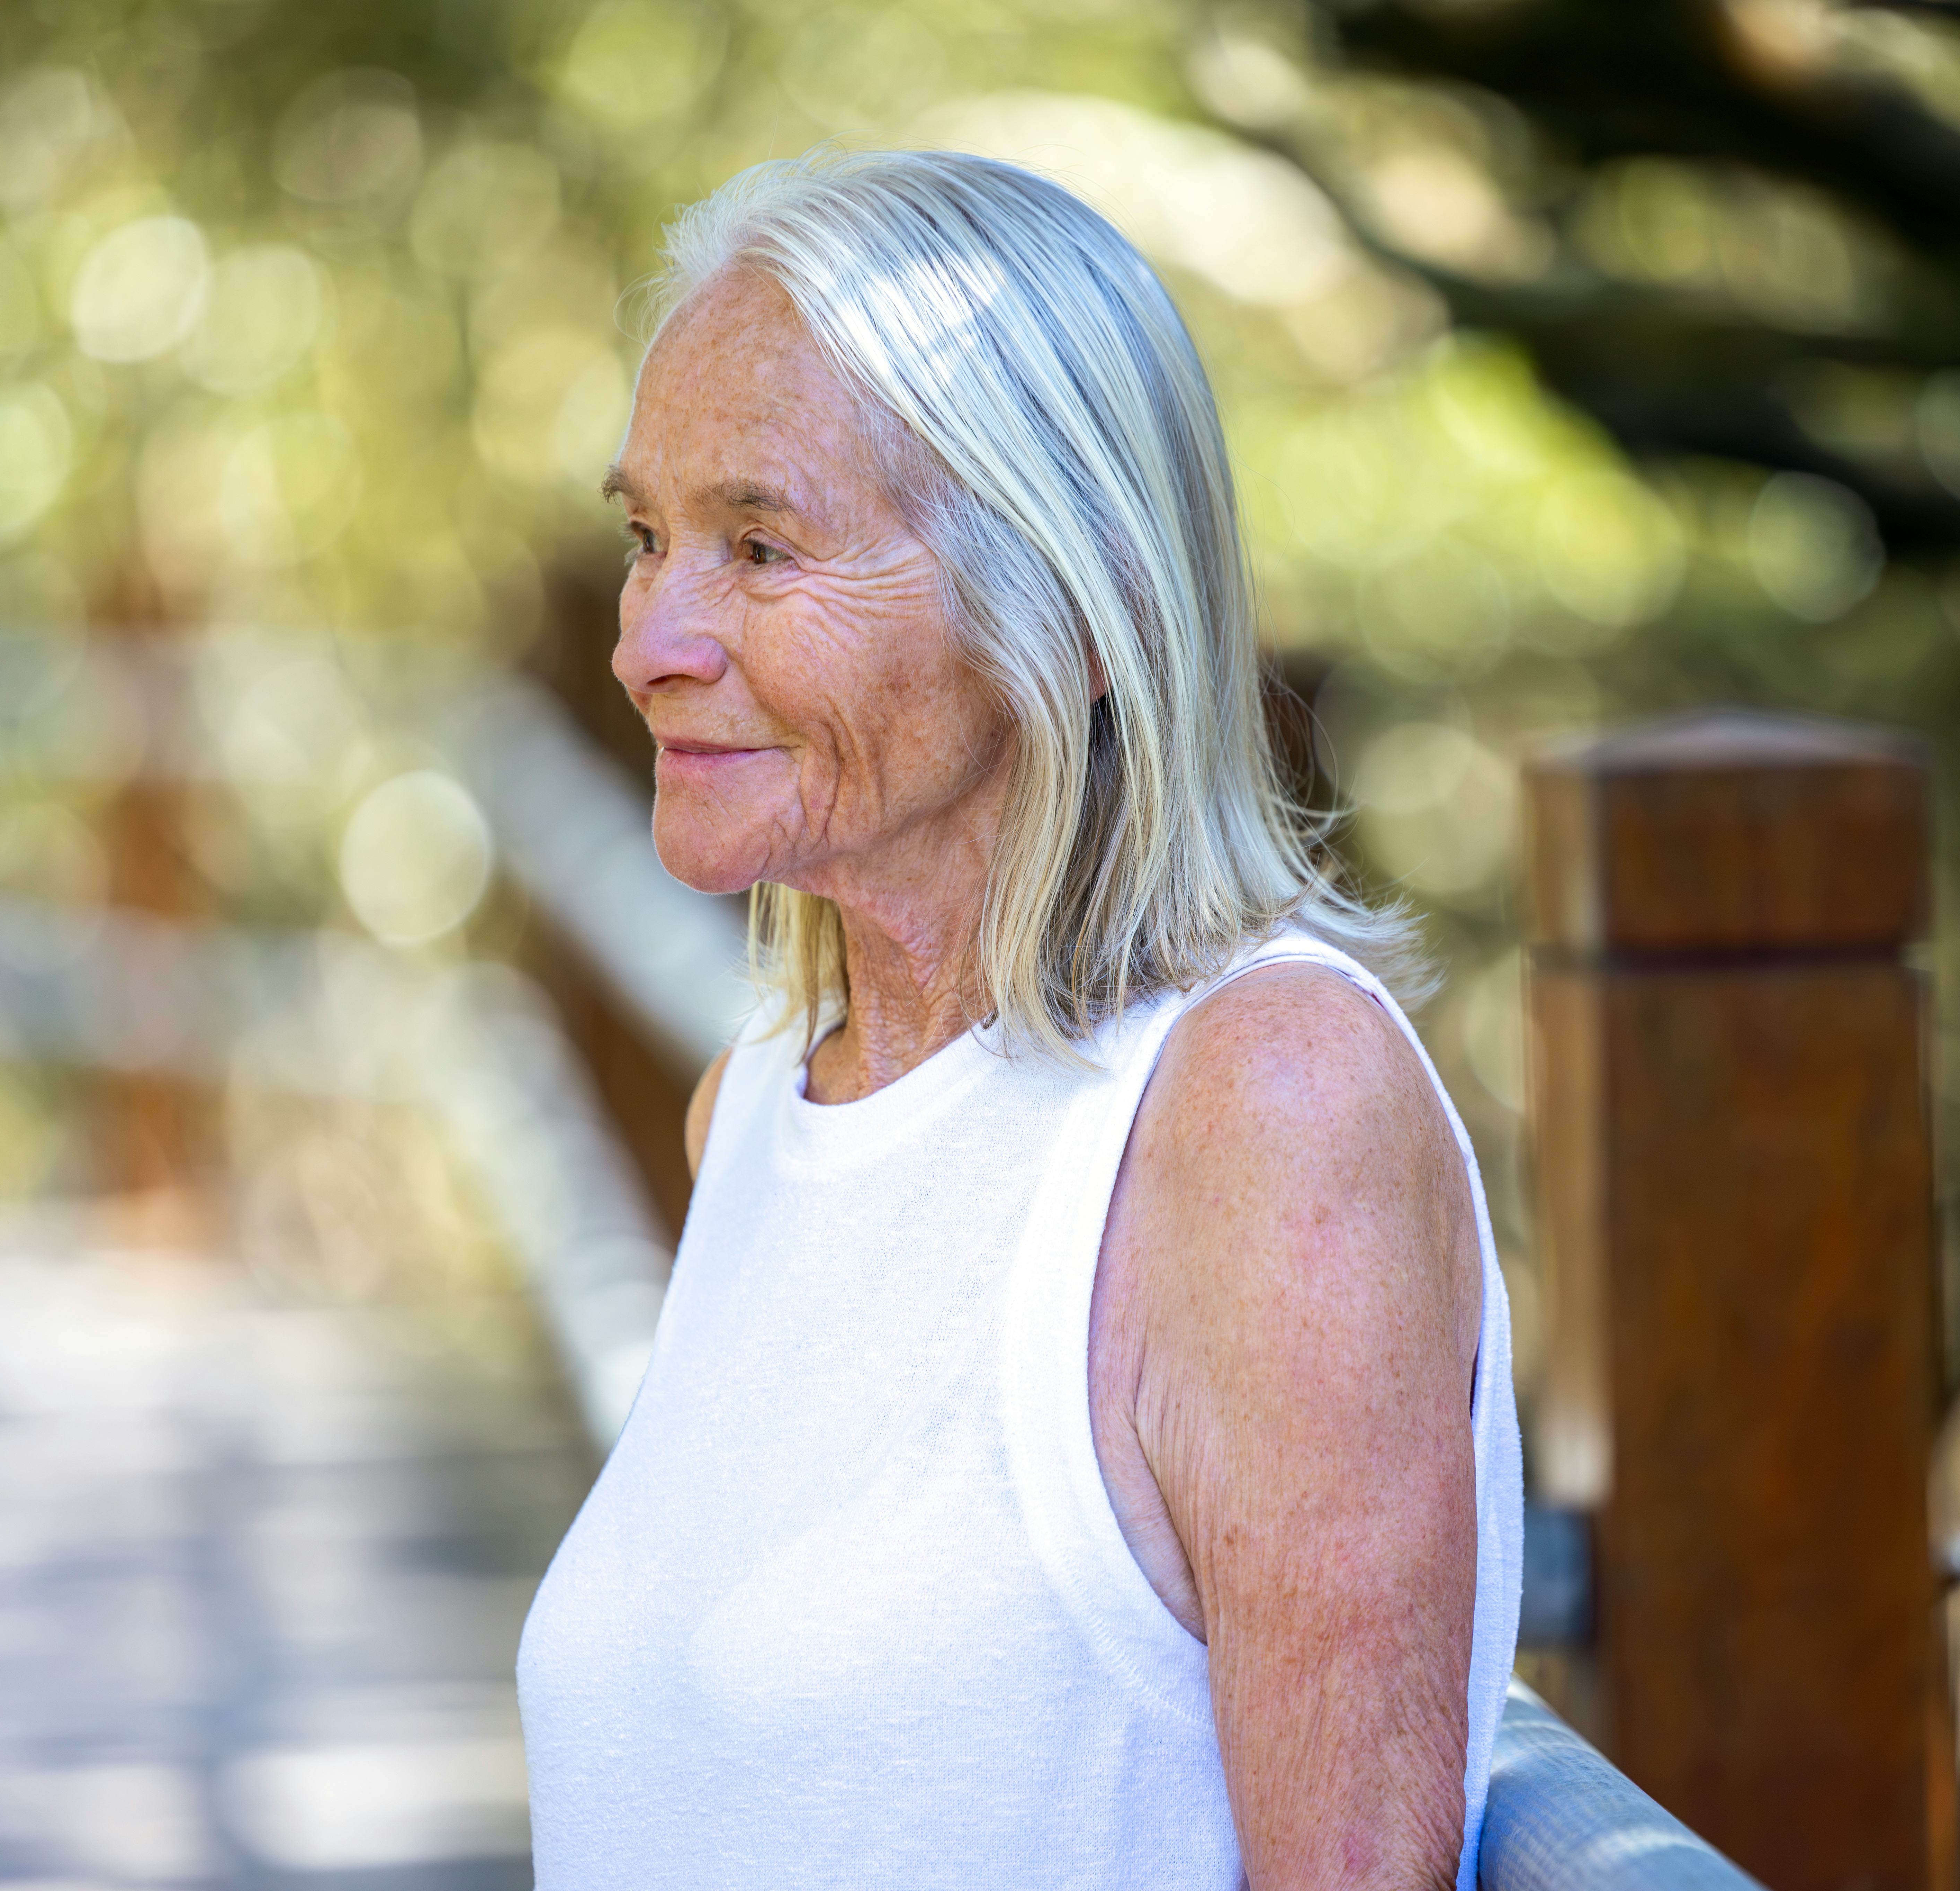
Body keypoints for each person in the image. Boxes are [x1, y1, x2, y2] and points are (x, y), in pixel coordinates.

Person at [516, 147, 1522, 1891]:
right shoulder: (755, 1102)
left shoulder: (1262, 1105)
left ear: (1074, 604)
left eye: (759, 546)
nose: (648, 641)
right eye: (645, 536)